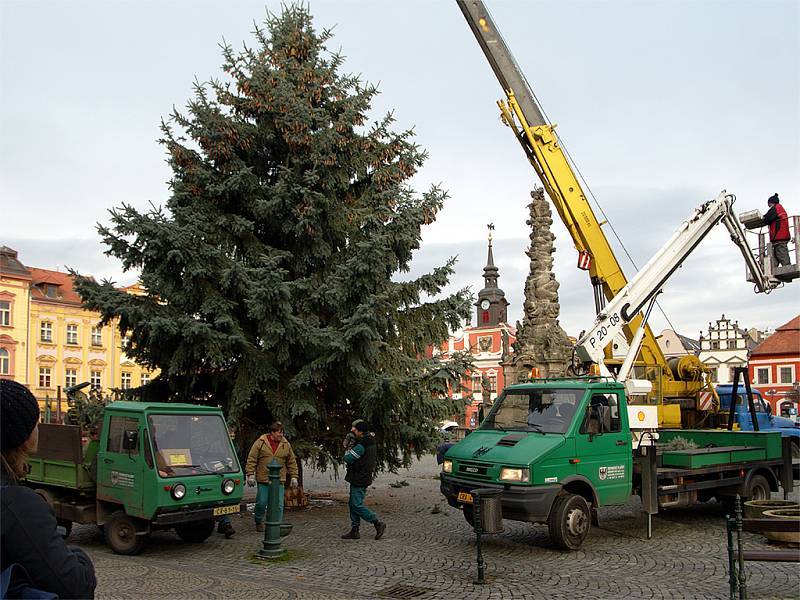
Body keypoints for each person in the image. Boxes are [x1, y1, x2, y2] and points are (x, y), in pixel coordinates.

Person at [0, 379, 97, 599]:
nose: (39, 427)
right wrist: (79, 556)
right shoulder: (17, 505)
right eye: (36, 421)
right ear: (22, 435)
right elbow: (75, 587)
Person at [245, 421, 299, 532]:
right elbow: (252, 459)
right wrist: (250, 474)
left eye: (282, 432)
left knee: (279, 505)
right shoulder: (260, 442)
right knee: (261, 502)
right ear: (272, 433)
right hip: (264, 479)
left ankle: (275, 525)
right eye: (279, 432)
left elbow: (291, 461)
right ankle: (258, 520)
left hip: (279, 480)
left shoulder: (285, 444)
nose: (281, 435)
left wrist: (294, 476)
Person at [341, 420, 386, 540]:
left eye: (354, 428)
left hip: (359, 477)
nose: (352, 430)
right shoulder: (368, 440)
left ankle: (377, 522)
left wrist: (348, 449)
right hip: (361, 476)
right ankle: (354, 530)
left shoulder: (363, 443)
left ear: (360, 431)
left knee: (356, 505)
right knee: (352, 504)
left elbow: (349, 458)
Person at [217, 423, 241, 538]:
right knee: (222, 501)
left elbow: (237, 458)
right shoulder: (218, 445)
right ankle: (226, 524)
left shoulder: (235, 445)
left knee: (225, 501)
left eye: (234, 433)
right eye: (230, 432)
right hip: (220, 474)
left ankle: (224, 523)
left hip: (229, 474)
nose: (232, 435)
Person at [763, 193, 791, 267]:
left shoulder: (776, 208)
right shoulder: (780, 209)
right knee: (775, 260)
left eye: (769, 205)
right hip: (779, 238)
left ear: (771, 203)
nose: (769, 207)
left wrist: (761, 218)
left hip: (779, 238)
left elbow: (767, 218)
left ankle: (787, 271)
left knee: (783, 257)